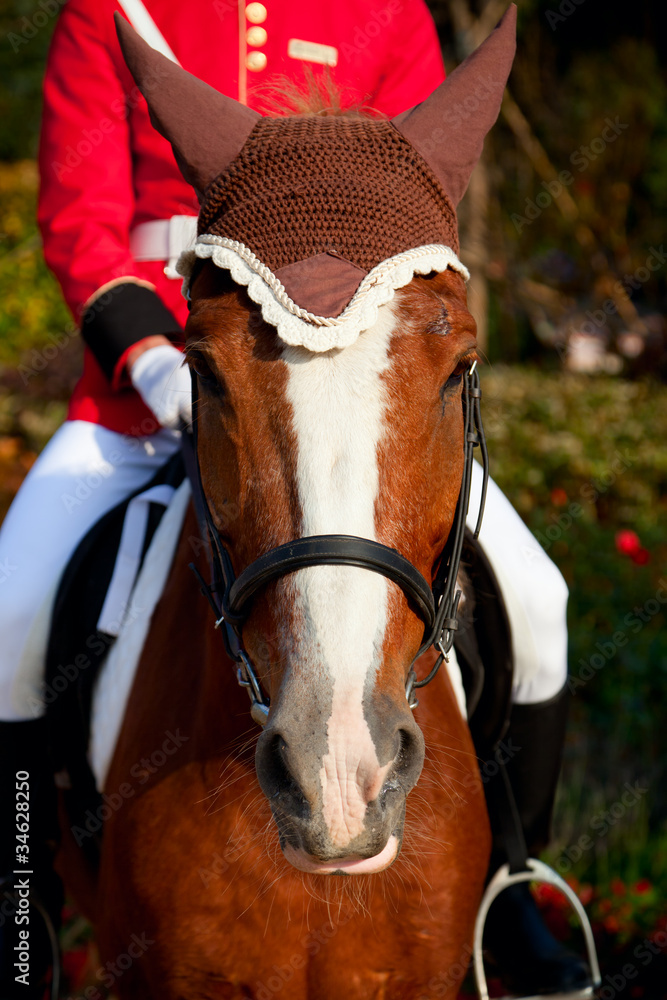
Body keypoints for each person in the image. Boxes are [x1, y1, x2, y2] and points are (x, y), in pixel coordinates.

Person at [0, 1, 588, 995]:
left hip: (349, 390)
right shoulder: (109, 11)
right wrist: (151, 368)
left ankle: (506, 893)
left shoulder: (388, 12)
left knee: (537, 603)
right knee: (10, 608)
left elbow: (408, 222)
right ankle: (23, 920)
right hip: (151, 377)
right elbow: (80, 218)